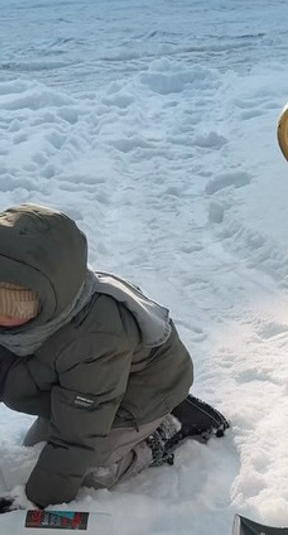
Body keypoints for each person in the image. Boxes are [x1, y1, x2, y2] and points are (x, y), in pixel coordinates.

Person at [0, 202, 228, 511]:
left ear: (53, 294)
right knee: (36, 449)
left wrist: (36, 502)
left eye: (12, 303)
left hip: (142, 389)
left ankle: (169, 425)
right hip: (78, 385)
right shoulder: (22, 318)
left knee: (88, 474)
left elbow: (77, 437)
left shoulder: (96, 337)